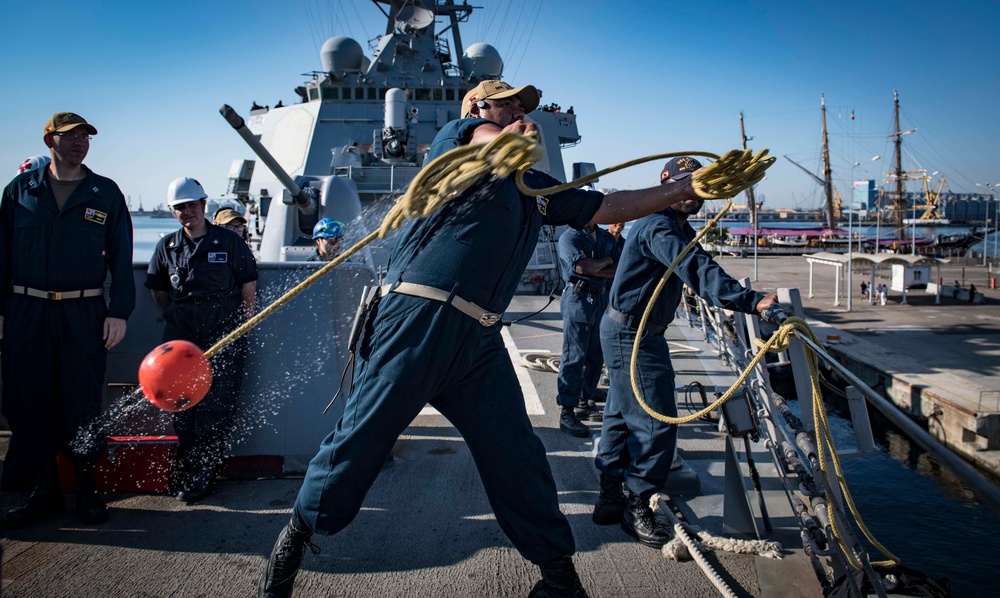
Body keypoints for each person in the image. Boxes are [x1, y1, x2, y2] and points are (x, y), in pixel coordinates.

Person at [256, 79, 760, 598]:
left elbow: (609, 206)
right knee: (359, 444)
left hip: (478, 338)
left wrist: (685, 191)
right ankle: (293, 544)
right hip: (417, 320)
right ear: (479, 106)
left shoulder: (533, 189)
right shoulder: (459, 139)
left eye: (525, 105)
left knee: (518, 456)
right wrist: (505, 138)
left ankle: (559, 578)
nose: (521, 109)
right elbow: (482, 144)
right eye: (509, 102)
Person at [591, 157, 778, 549]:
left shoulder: (671, 225)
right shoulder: (659, 225)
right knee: (656, 421)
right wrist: (752, 300)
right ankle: (637, 504)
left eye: (700, 185)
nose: (694, 193)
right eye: (685, 184)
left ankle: (611, 499)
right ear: (666, 185)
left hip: (627, 329)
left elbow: (696, 263)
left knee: (620, 416)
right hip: (635, 335)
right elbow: (696, 268)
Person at [0, 112, 135, 527]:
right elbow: (1, 257)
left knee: (81, 399)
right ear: (49, 141)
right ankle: (44, 491)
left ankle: (87, 489)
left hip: (83, 312)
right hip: (27, 312)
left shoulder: (104, 193)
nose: (80, 143)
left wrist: (118, 312)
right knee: (30, 399)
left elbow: (122, 259)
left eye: (85, 136)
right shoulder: (20, 191)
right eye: (70, 136)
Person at [146, 177, 258, 503]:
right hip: (181, 338)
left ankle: (205, 472)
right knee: (182, 405)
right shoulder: (166, 247)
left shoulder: (229, 242)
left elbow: (247, 284)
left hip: (223, 333)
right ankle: (190, 464)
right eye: (180, 208)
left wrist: (243, 323)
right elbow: (158, 289)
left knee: (216, 404)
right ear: (173, 211)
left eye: (192, 206)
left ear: (203, 206)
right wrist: (174, 318)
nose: (187, 212)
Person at [555, 223, 620, 436]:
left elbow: (619, 267)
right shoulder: (569, 238)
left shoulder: (605, 237)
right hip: (578, 300)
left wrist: (598, 265)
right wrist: (606, 262)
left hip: (600, 300)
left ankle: (585, 402)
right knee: (574, 357)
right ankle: (566, 412)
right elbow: (582, 268)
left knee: (596, 356)